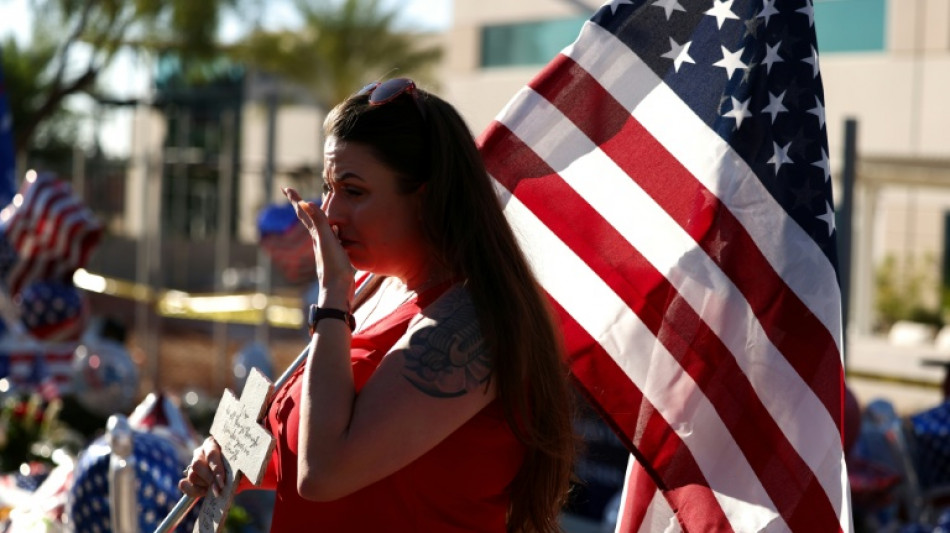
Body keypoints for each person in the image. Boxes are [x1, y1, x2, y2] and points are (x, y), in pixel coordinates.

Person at [179, 78, 576, 532]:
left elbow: (324, 472)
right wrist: (227, 455)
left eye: (354, 190)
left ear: (427, 197)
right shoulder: (371, 291)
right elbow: (303, 445)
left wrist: (331, 299)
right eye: (328, 187)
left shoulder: (473, 320)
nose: (329, 212)